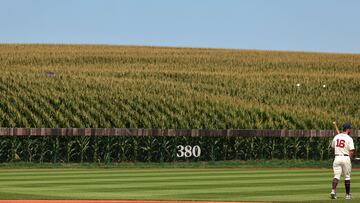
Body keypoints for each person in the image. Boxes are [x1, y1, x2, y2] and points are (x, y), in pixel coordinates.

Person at [330, 123, 355, 200]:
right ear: (348, 129)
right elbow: (351, 151)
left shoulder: (336, 136)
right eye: (349, 129)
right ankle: (347, 195)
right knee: (347, 177)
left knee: (336, 176)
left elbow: (333, 147)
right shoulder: (349, 138)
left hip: (337, 157)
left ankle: (333, 191)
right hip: (346, 157)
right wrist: (350, 159)